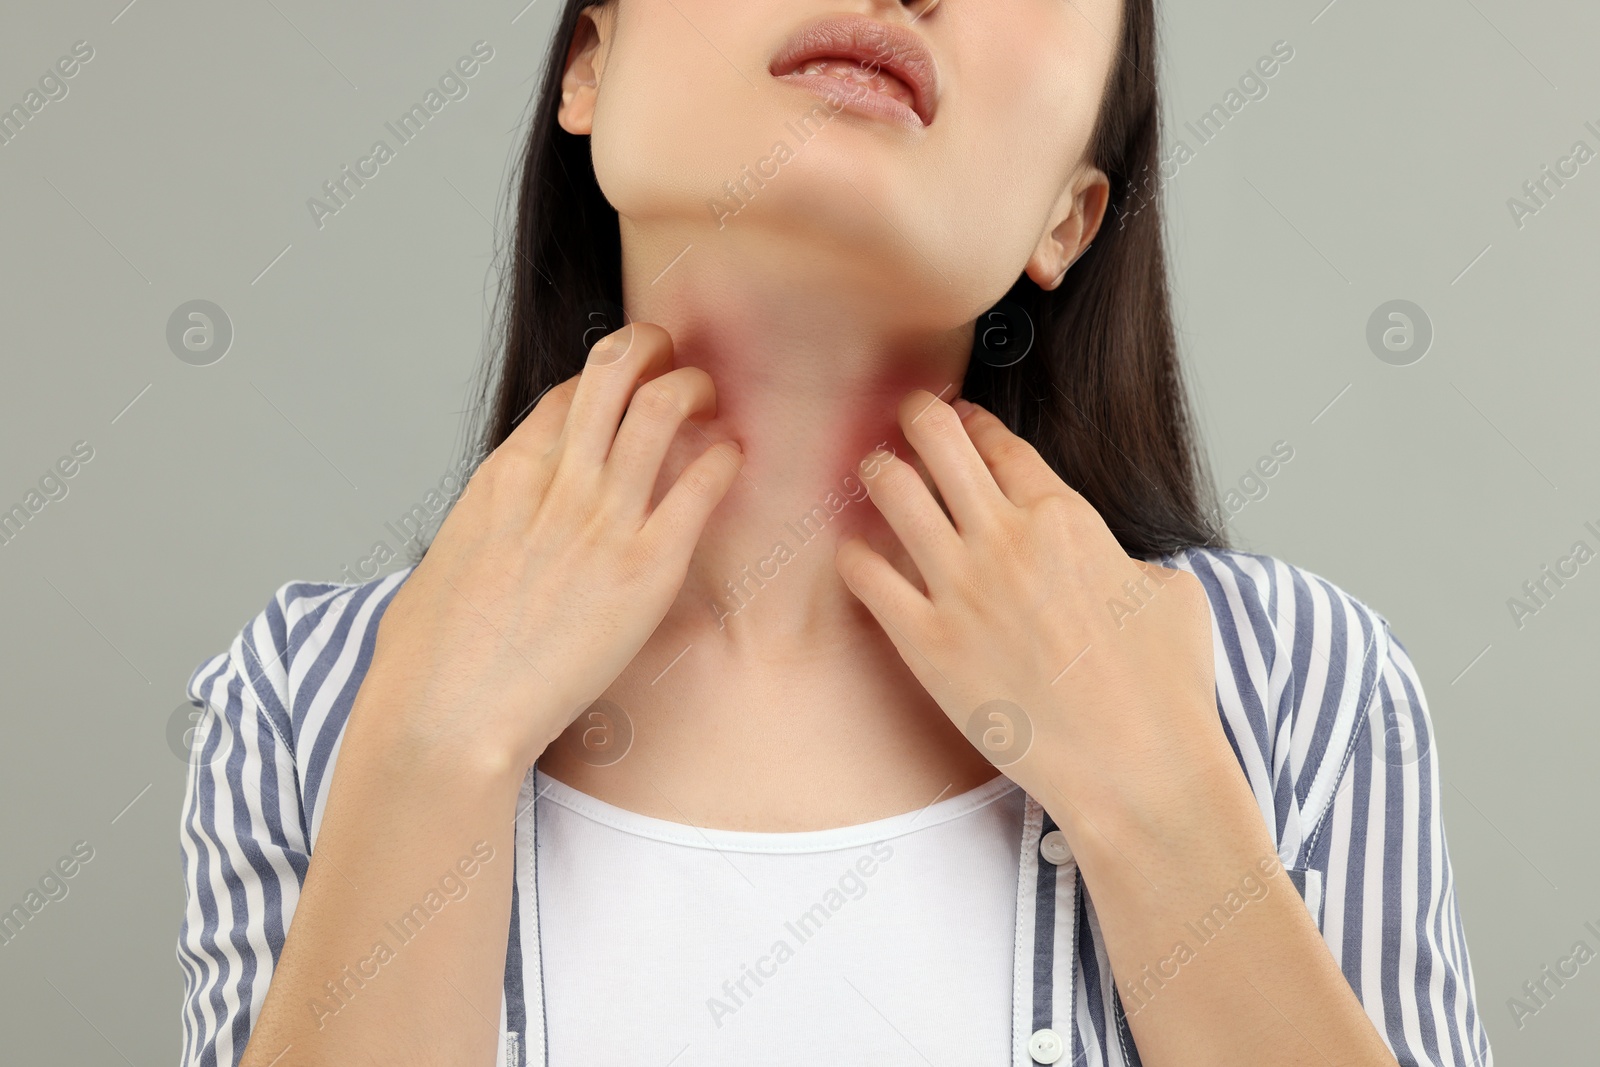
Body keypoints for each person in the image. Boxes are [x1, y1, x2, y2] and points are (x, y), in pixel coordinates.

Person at [176, 1, 1492, 1064]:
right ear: (590, 59)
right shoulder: (299, 703)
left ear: (1068, 217)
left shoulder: (1303, 692)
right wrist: (432, 755)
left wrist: (1154, 799)